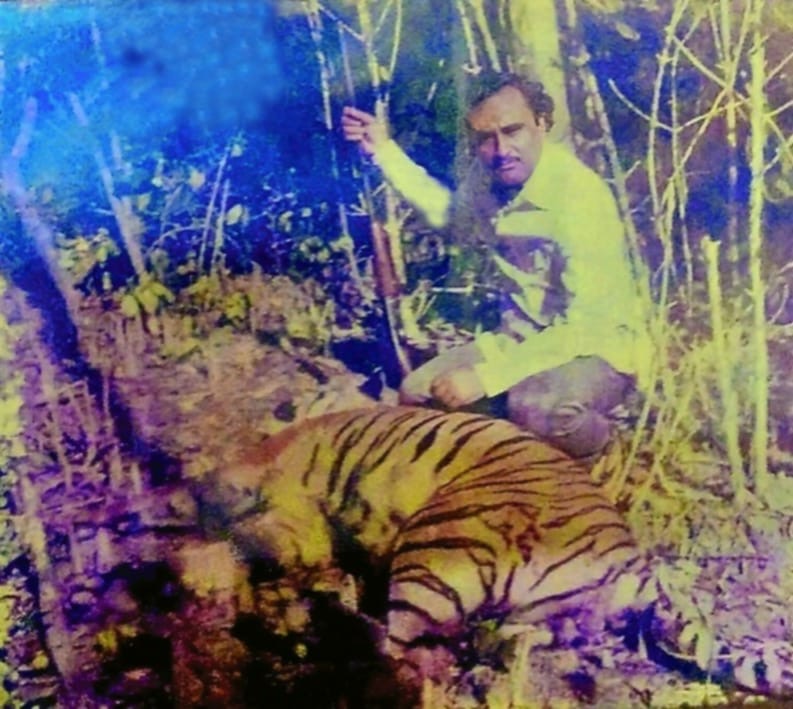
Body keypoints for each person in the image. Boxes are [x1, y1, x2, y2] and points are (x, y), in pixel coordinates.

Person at [341, 73, 653, 459]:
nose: (501, 149)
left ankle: (602, 450)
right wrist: (384, 152)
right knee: (417, 393)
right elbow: (451, 215)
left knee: (535, 407)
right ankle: (501, 459)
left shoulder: (579, 197)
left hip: (594, 351)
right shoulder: (489, 178)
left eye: (512, 131)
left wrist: (485, 378)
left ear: (542, 123)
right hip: (518, 342)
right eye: (486, 138)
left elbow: (589, 325)